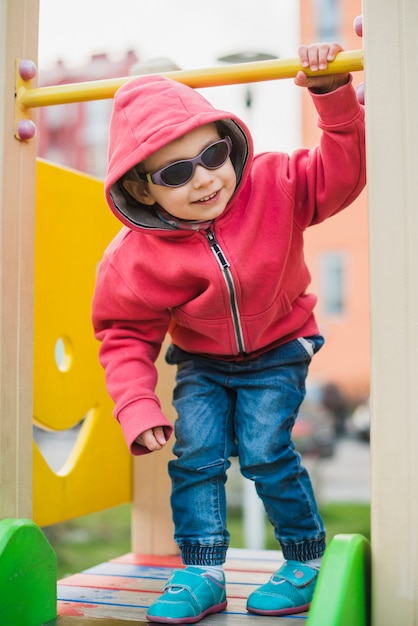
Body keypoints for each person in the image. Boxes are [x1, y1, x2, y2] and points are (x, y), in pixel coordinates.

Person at [92, 41, 366, 624]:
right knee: (196, 458)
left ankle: (304, 559)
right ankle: (203, 572)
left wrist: (331, 96)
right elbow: (123, 333)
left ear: (228, 143)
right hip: (202, 362)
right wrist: (137, 405)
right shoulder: (133, 259)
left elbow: (341, 177)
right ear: (142, 189)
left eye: (213, 153)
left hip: (280, 345)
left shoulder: (275, 183)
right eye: (175, 172)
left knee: (266, 450)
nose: (205, 179)